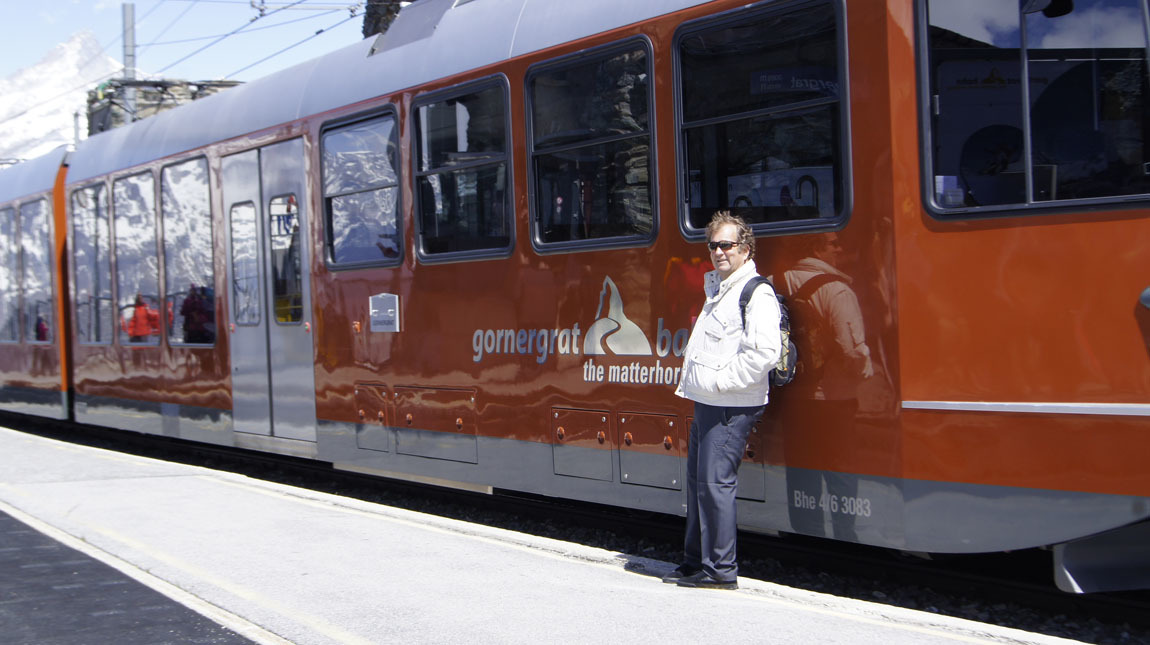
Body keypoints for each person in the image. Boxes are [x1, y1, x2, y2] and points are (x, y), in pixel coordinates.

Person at [665, 211, 782, 590]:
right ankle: (695, 561)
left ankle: (720, 570)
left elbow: (764, 353)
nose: (719, 252)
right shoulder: (719, 288)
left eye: (727, 245)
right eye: (713, 245)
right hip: (708, 402)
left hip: (731, 403)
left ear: (745, 249)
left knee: (716, 484)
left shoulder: (755, 292)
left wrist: (719, 383)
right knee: (700, 482)